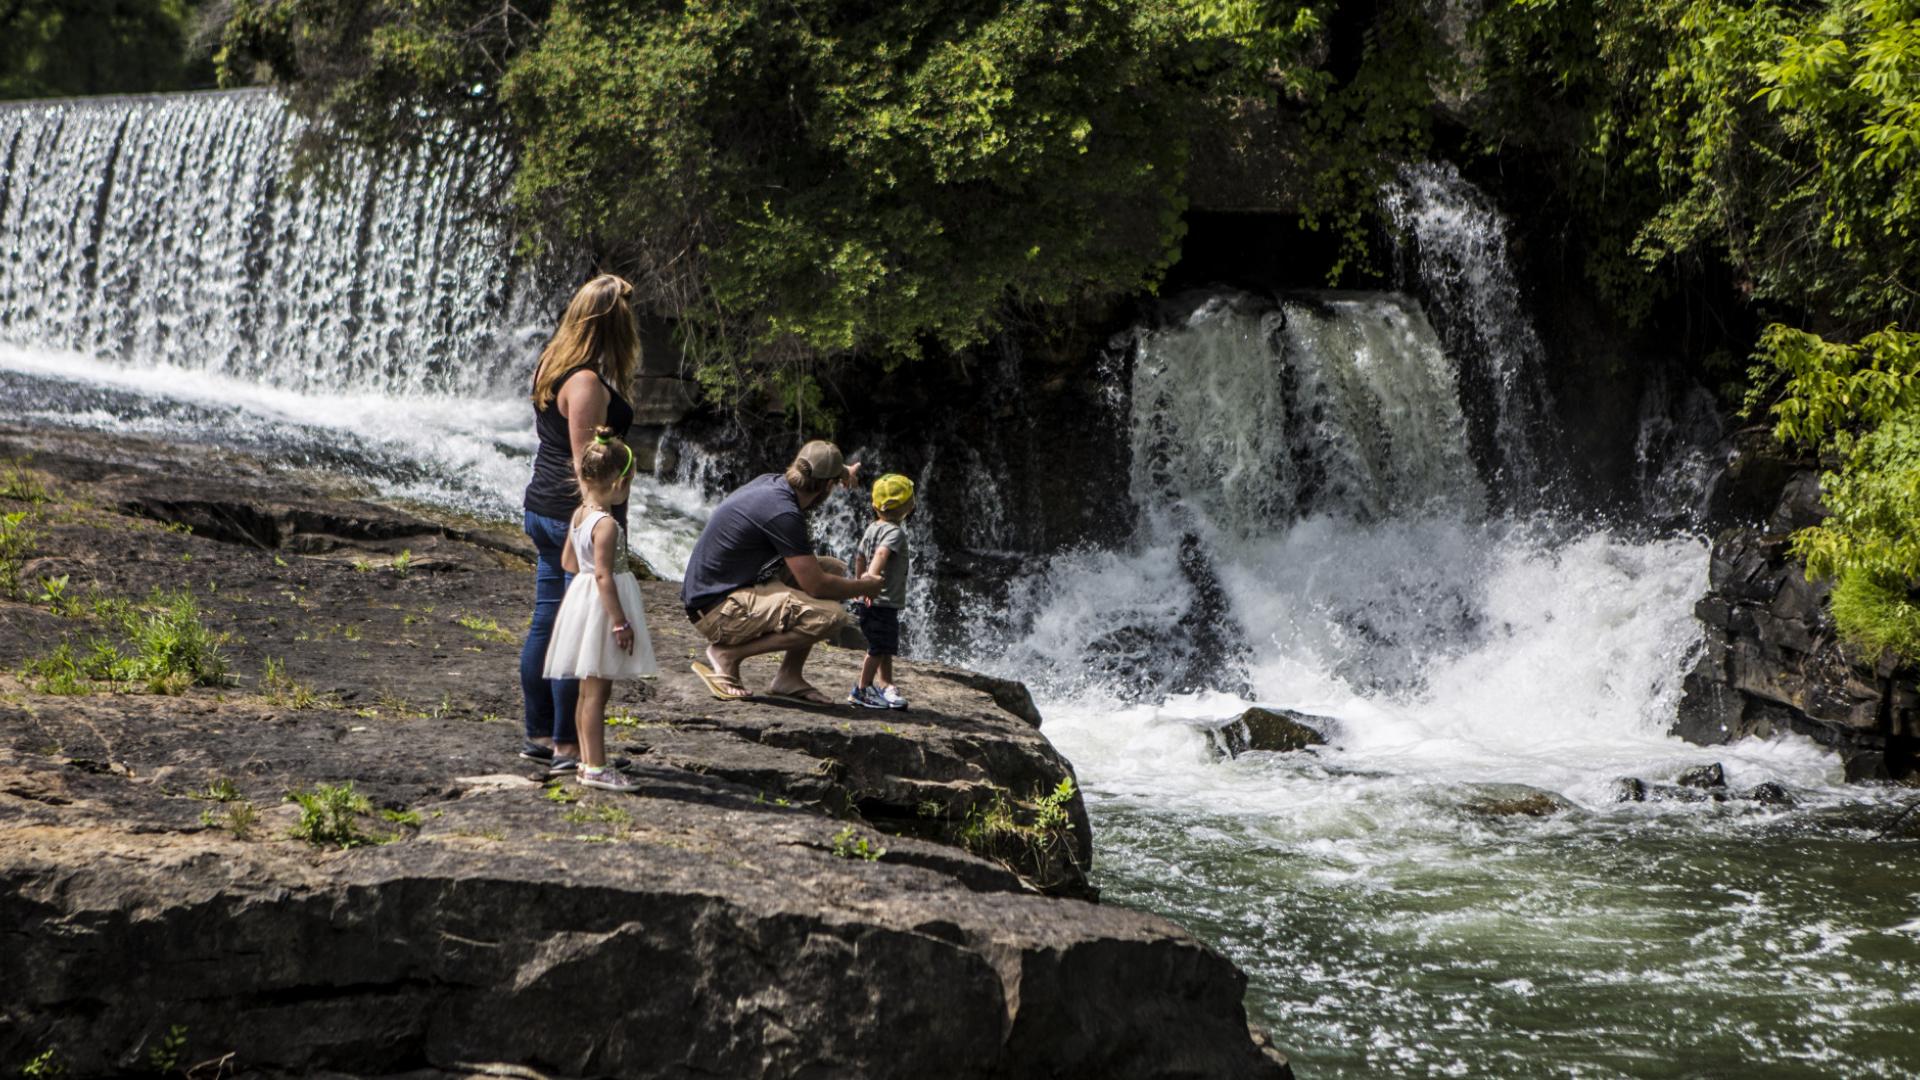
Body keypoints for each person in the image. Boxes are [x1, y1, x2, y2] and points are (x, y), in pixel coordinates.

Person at [518, 274, 640, 770]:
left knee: (548, 620)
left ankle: (543, 736)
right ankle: (569, 744)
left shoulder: (554, 362)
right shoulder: (586, 381)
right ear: (611, 323)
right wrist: (595, 524)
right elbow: (585, 465)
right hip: (571, 514)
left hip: (545, 509)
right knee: (578, 629)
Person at [683, 440, 881, 704]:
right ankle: (728, 655)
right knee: (831, 617)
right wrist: (865, 587)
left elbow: (818, 466)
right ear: (827, 486)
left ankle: (789, 676)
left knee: (832, 569)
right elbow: (817, 586)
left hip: (722, 588)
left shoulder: (772, 483)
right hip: (717, 610)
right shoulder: (784, 514)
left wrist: (842, 472)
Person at [545, 428, 658, 791]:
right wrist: (620, 621)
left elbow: (568, 562)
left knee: (586, 691)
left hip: (581, 601)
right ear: (619, 484)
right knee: (597, 693)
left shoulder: (580, 514)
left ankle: (585, 760)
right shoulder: (606, 524)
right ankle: (595, 766)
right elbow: (605, 577)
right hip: (601, 608)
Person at [849, 474, 914, 710]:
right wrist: (870, 580)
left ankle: (886, 685)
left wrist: (858, 584)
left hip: (871, 601)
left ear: (875, 506)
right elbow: (880, 555)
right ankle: (862, 689)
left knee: (885, 646)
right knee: (877, 649)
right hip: (880, 602)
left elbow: (860, 556)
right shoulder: (894, 533)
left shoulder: (873, 528)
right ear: (910, 506)